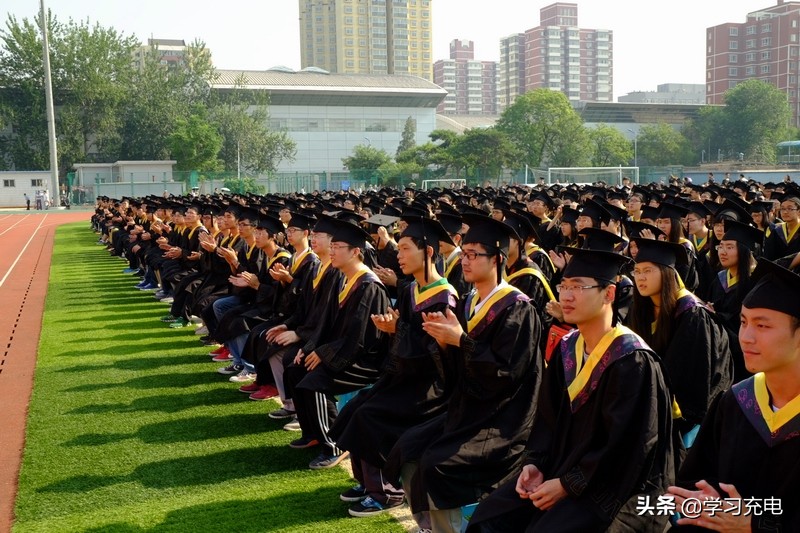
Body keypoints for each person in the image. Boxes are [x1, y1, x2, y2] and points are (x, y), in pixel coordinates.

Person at [467, 247, 673, 533]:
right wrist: (535, 464)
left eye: (578, 287)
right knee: (489, 516)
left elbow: (627, 448)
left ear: (609, 294)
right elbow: (547, 421)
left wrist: (567, 485)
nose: (566, 296)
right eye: (563, 286)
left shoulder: (632, 361)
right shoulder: (568, 348)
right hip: (561, 470)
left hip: (615, 488)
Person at [387, 215, 543, 533]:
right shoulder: (472, 301)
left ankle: (454, 528)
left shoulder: (517, 308)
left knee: (436, 465)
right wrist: (444, 344)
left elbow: (506, 374)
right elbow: (457, 366)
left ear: (497, 259)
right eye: (465, 252)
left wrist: (459, 341)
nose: (466, 260)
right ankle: (431, 525)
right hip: (467, 407)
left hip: (502, 418)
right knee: (407, 448)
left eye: (474, 255)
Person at [328, 217, 458, 517]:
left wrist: (398, 329)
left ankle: (387, 492)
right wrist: (391, 330)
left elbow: (436, 353)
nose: (398, 255)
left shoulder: (444, 295)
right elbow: (406, 339)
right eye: (398, 248)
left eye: (404, 248)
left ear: (427, 252)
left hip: (430, 387)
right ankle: (368, 484)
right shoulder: (413, 289)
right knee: (356, 408)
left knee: (369, 417)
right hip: (404, 376)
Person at [667, 259, 800, 531]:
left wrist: (754, 526)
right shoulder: (737, 402)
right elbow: (694, 482)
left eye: (762, 326)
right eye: (743, 322)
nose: (746, 337)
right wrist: (706, 504)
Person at [283, 218, 390, 470]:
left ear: (356, 251)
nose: (331, 251)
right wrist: (309, 348)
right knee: (296, 367)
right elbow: (326, 323)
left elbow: (361, 337)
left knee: (317, 381)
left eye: (337, 247)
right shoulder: (343, 279)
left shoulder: (369, 285)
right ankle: (313, 433)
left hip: (366, 357)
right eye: (332, 247)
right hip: (342, 350)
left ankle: (335, 444)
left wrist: (324, 355)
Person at [627, 238, 732, 467]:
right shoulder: (642, 308)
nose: (640, 278)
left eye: (648, 271)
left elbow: (688, 380)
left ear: (667, 273)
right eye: (636, 271)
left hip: (684, 420)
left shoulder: (691, 314)